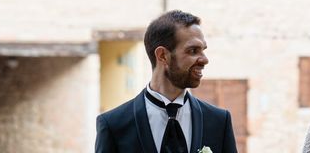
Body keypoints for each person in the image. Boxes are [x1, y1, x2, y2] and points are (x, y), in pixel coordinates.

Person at [95, 10, 238, 153]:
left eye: (203, 50)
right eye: (193, 50)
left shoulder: (219, 121)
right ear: (163, 55)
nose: (204, 59)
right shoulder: (113, 125)